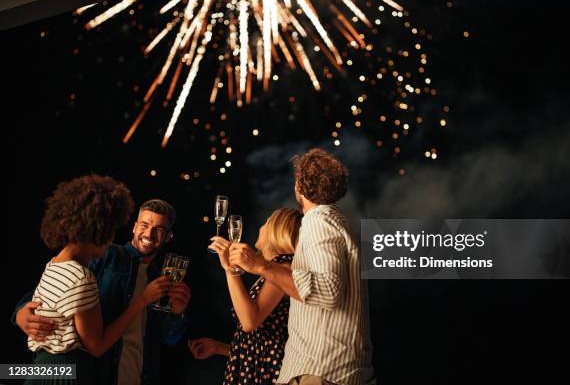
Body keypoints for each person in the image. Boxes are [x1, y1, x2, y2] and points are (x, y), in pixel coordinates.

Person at [228, 148, 376, 385]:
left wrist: (260, 266)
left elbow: (327, 292)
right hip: (332, 371)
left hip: (321, 370)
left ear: (299, 185)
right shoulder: (338, 222)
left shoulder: (318, 220)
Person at [14, 196, 191, 385]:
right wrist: (21, 312)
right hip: (94, 375)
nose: (149, 233)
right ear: (134, 227)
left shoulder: (163, 280)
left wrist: (177, 313)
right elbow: (55, 288)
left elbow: (169, 340)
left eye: (159, 230)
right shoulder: (105, 253)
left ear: (168, 237)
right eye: (144, 225)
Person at [189, 208, 302, 384]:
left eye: (267, 222)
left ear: (277, 229)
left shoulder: (283, 267)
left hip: (265, 374)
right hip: (258, 368)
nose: (261, 227)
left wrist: (230, 270)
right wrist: (219, 347)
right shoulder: (274, 269)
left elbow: (250, 321)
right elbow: (259, 343)